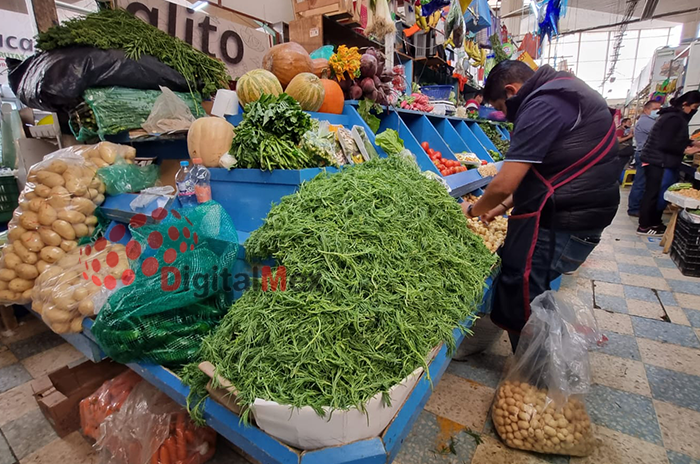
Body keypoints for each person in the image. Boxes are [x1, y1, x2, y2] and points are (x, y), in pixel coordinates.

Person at [461, 61, 620, 351]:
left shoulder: (542, 104)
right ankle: (535, 355)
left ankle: (535, 376)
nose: (506, 117)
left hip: (568, 221)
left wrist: (472, 211)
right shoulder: (565, 91)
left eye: (501, 107)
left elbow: (505, 183)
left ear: (511, 91)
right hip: (582, 216)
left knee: (522, 288)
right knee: (526, 283)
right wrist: (500, 208)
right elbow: (551, 170)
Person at [637, 90, 700, 236]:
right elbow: (665, 143)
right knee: (654, 193)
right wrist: (685, 151)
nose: (695, 110)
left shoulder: (673, 116)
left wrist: (692, 142)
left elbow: (672, 138)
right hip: (659, 162)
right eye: (694, 107)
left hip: (657, 160)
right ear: (685, 104)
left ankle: (654, 222)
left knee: (655, 193)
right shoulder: (674, 118)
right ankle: (645, 226)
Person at [627, 100, 661, 217]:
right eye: (655, 109)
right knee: (640, 182)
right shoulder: (647, 121)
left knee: (642, 182)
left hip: (645, 154)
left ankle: (636, 207)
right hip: (644, 155)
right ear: (647, 109)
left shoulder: (648, 121)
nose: (658, 112)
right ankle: (634, 208)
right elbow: (660, 134)